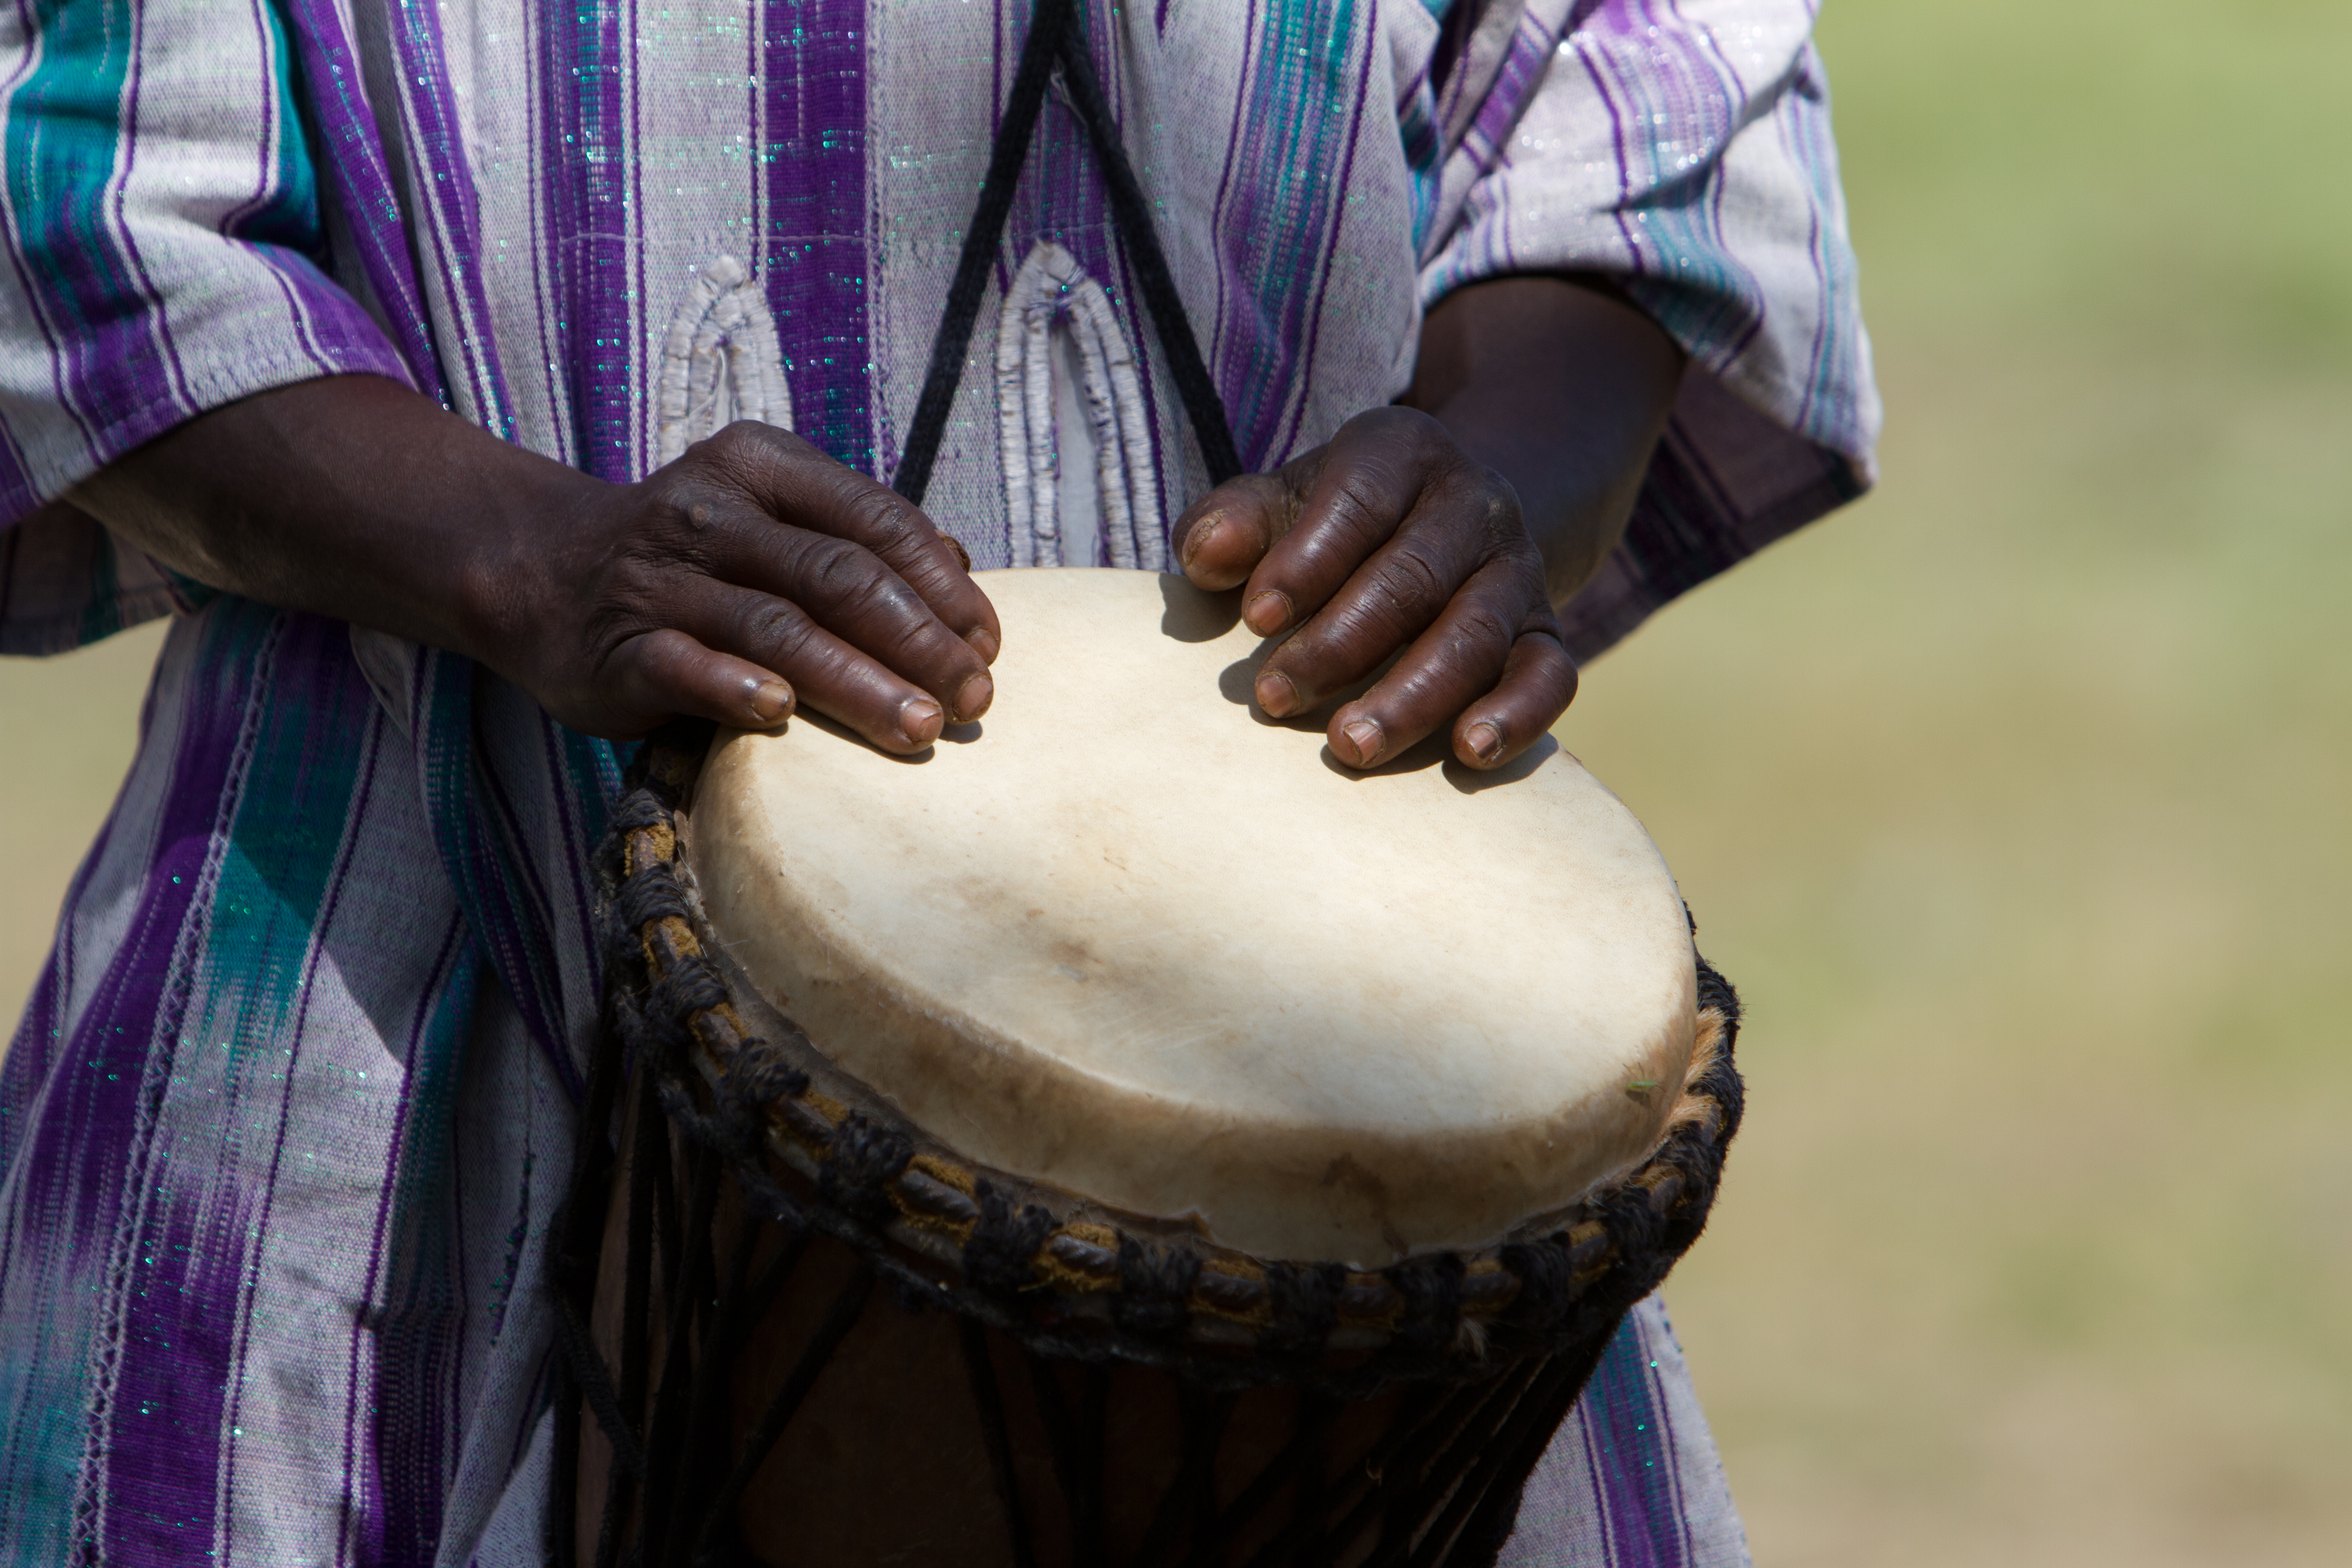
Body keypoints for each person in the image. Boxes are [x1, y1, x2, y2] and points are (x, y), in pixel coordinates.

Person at [0, 0, 1876, 1561]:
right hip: (392, 1045)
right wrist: (528, 557)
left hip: (1329, 1162)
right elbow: (73, 225)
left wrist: (1491, 487)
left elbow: (1631, 115)